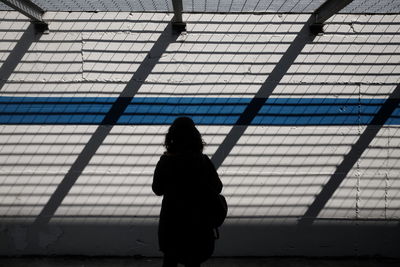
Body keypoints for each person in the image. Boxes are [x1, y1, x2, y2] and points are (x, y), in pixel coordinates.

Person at [152, 117, 223, 267]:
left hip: (172, 225)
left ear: (171, 137)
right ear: (195, 136)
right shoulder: (203, 161)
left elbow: (157, 189)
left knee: (170, 261)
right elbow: (218, 187)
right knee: (193, 261)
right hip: (198, 224)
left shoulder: (166, 161)